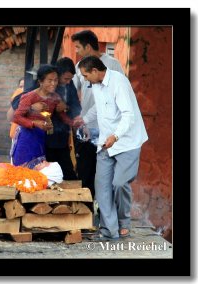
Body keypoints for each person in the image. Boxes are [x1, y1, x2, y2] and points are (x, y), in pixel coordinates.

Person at [77, 56, 148, 241]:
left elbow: (128, 115)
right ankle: (109, 231)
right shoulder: (97, 85)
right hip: (104, 143)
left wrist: (115, 136)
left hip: (127, 142)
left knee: (119, 184)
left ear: (94, 71)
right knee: (102, 188)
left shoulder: (119, 82)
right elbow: (98, 109)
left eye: (85, 76)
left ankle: (124, 223)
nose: (85, 80)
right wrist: (82, 120)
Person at [71, 29, 125, 201]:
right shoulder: (79, 67)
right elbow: (72, 93)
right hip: (86, 131)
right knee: (85, 174)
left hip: (108, 132)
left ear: (88, 46)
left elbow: (118, 96)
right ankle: (86, 216)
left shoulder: (113, 64)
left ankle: (106, 216)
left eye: (78, 47)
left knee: (107, 177)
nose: (77, 51)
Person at [11, 64, 73, 166]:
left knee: (39, 171)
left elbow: (62, 115)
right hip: (27, 138)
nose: (53, 83)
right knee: (23, 172)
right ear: (40, 81)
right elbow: (16, 117)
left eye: (56, 80)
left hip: (41, 139)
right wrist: (35, 123)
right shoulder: (29, 97)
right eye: (49, 80)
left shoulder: (55, 97)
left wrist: (76, 123)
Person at [45, 57, 81, 180]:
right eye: (66, 78)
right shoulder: (45, 82)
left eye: (70, 79)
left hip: (62, 138)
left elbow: (76, 106)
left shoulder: (69, 85)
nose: (67, 82)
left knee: (69, 175)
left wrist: (66, 107)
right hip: (44, 139)